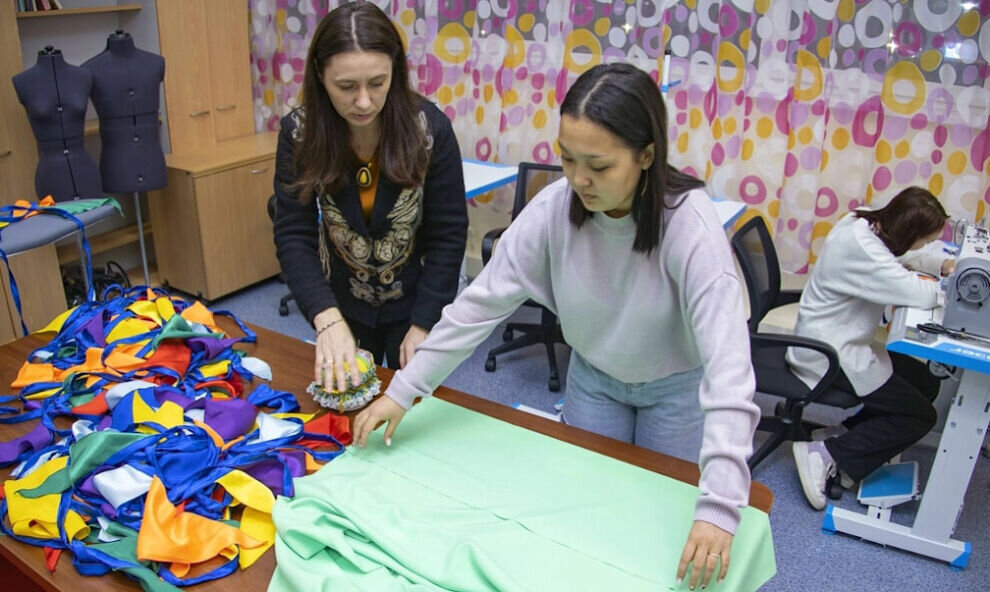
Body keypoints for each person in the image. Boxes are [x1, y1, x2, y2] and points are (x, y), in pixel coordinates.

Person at [354, 62, 761, 590]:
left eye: (599, 164)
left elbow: (731, 371)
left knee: (659, 529)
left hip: (678, 389)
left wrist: (721, 506)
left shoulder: (690, 227)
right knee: (581, 513)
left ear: (646, 155)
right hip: (594, 377)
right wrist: (404, 391)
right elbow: (478, 306)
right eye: (567, 159)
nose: (579, 180)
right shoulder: (554, 210)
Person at [272, 3, 468, 390]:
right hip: (340, 302)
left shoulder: (429, 130)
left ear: (395, 72)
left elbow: (449, 235)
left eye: (377, 83)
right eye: (346, 87)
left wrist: (425, 321)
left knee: (412, 418)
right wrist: (325, 318)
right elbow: (293, 234)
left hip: (414, 304)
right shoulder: (300, 133)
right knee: (342, 412)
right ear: (320, 76)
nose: (363, 102)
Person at [787, 187, 952, 510]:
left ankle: (844, 435)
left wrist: (944, 263)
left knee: (926, 381)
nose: (923, 246)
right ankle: (824, 454)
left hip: (844, 341)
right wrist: (953, 288)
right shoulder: (865, 251)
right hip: (831, 355)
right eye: (925, 239)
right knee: (920, 416)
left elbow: (905, 254)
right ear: (910, 231)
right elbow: (918, 293)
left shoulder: (863, 222)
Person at [12, 46, 103, 200]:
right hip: (50, 174)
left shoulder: (83, 76)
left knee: (93, 220)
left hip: (84, 168)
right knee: (60, 222)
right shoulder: (22, 81)